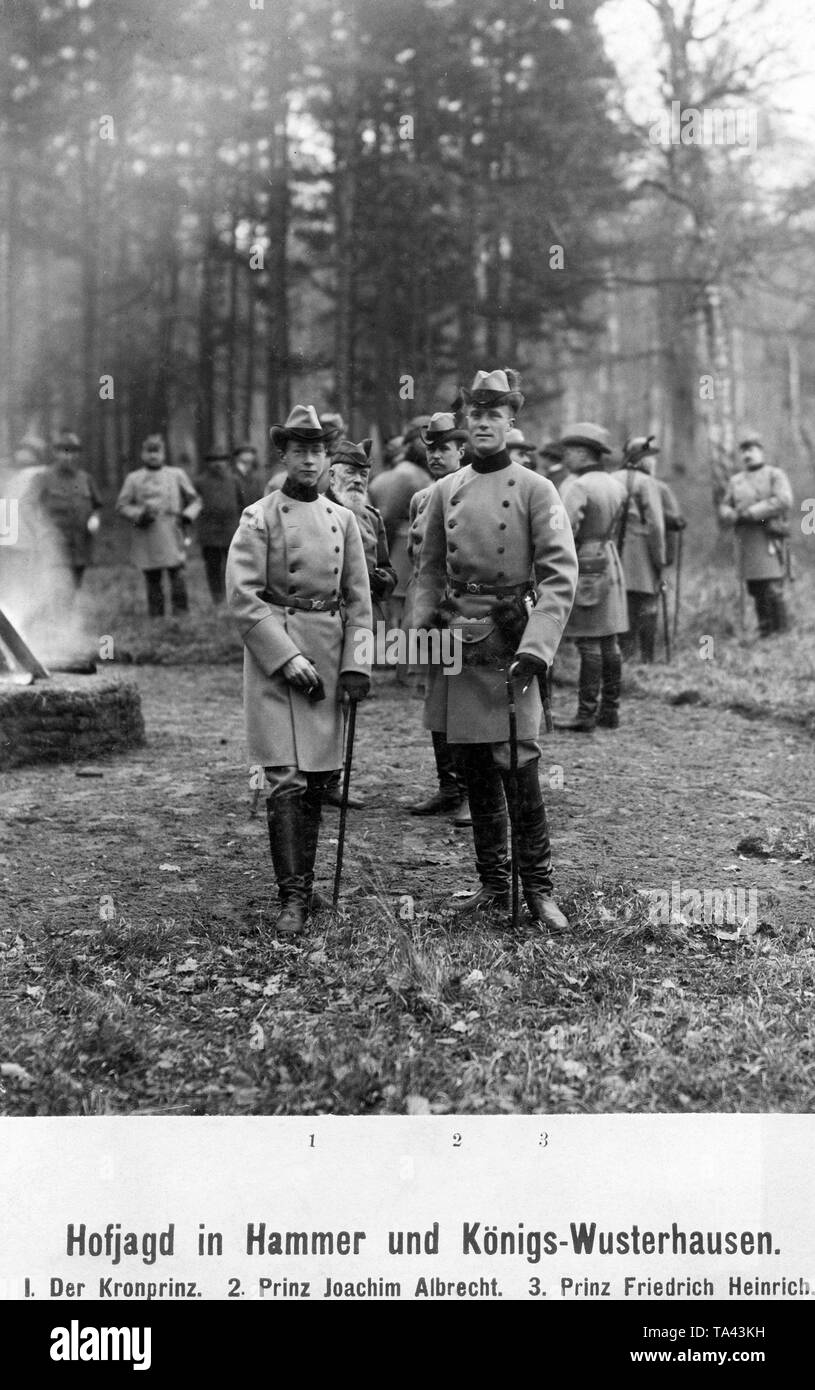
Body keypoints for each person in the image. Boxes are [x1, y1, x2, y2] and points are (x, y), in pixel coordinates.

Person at [413, 370, 578, 934]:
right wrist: (422, 635)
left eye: (495, 414)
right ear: (466, 423)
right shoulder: (444, 490)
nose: (484, 423)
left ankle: (539, 889)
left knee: (518, 764)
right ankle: (492, 882)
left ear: (512, 423)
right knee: (475, 764)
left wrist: (538, 647)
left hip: (511, 638)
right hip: (458, 640)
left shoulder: (536, 488)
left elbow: (560, 577)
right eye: (475, 415)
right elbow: (428, 572)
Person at [225, 405, 373, 937]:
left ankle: (307, 887)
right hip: (274, 663)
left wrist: (358, 663)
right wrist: (284, 655)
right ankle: (291, 897)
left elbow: (359, 602)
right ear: (283, 455)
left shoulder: (344, 521)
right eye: (299, 450)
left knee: (315, 780)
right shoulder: (258, 516)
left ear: (327, 457)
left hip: (329, 657)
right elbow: (242, 598)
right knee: (284, 778)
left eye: (317, 450)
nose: (309, 459)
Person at [320, 435, 396, 810]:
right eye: (350, 472)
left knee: (348, 698)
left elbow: (386, 565)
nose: (358, 479)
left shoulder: (371, 516)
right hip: (321, 620)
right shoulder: (317, 511)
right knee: (317, 697)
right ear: (331, 475)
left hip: (359, 621)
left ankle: (333, 780)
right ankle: (307, 776)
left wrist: (385, 579)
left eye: (364, 473)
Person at [404, 412, 470, 823]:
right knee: (438, 702)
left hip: (466, 610)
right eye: (430, 448)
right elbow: (420, 562)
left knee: (469, 702)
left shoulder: (474, 492)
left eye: (444, 448)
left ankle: (473, 792)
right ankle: (448, 787)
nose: (435, 455)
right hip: (431, 610)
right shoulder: (423, 498)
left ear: (462, 450)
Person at [555, 423, 628, 732]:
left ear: (583, 453)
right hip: (610, 561)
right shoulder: (615, 484)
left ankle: (586, 714)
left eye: (569, 451)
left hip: (586, 562)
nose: (565, 458)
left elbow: (563, 531)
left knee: (588, 642)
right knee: (609, 640)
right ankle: (610, 711)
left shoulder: (579, 486)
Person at [116, 434, 201, 618]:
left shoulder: (176, 474)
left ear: (164, 454)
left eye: (157, 451)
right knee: (152, 577)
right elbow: (122, 505)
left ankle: (181, 614)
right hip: (147, 531)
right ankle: (156, 616)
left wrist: (187, 516)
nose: (153, 456)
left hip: (172, 529)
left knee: (177, 574)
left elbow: (196, 500)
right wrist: (139, 514)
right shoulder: (134, 478)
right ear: (142, 454)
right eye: (149, 452)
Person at [719, 433, 793, 637]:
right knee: (755, 588)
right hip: (746, 539)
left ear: (761, 452)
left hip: (768, 536)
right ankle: (766, 632)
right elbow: (725, 505)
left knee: (772, 587)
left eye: (751, 450)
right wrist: (731, 514)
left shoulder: (774, 474)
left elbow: (784, 500)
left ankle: (781, 633)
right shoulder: (736, 480)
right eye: (743, 451)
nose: (747, 455)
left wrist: (752, 512)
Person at [614, 435, 667, 664]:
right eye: (650, 458)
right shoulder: (647, 483)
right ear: (641, 460)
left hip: (612, 552)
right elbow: (656, 525)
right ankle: (647, 660)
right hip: (641, 553)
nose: (653, 462)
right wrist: (660, 559)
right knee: (647, 605)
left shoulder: (610, 478)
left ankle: (624, 656)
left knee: (620, 604)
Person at [36, 430, 103, 588]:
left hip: (80, 544)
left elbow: (97, 506)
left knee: (75, 585)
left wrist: (95, 518)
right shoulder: (44, 477)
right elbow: (28, 505)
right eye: (63, 451)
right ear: (55, 452)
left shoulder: (85, 478)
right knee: (56, 586)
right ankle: (54, 612)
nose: (68, 456)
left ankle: (70, 613)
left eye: (72, 452)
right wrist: (39, 529)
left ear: (77, 455)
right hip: (54, 544)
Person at [196, 447, 243, 605]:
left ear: (227, 462)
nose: (218, 464)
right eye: (213, 461)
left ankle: (233, 597)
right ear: (207, 463)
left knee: (233, 566)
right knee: (213, 566)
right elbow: (194, 505)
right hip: (209, 532)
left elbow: (242, 503)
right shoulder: (200, 482)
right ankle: (217, 599)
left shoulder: (234, 480)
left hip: (231, 530)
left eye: (221, 460)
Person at [232, 443, 266, 509]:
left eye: (250, 452)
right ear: (238, 455)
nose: (249, 455)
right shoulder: (233, 474)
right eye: (245, 452)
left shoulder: (255, 473)